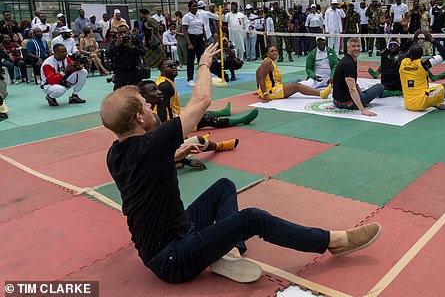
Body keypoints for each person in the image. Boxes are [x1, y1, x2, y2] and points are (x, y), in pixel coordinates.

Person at [101, 43, 381, 284]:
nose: (150, 107)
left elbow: (142, 175)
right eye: (145, 105)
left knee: (224, 186)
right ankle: (334, 241)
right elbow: (202, 100)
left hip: (173, 236)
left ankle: (229, 252)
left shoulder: (116, 153)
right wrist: (203, 64)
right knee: (253, 218)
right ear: (139, 118)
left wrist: (176, 154)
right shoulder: (152, 145)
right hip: (172, 258)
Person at [153, 59, 257, 133]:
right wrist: (164, 131)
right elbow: (160, 108)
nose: (174, 67)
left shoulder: (164, 82)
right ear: (162, 70)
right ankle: (242, 120)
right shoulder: (165, 86)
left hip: (175, 116)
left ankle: (223, 112)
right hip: (173, 122)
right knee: (208, 119)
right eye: (170, 66)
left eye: (175, 65)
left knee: (199, 110)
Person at [256, 45, 332, 101]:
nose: (275, 52)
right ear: (267, 53)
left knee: (296, 82)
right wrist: (265, 93)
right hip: (271, 91)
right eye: (272, 51)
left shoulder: (268, 61)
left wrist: (259, 89)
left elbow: (257, 72)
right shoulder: (267, 62)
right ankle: (321, 94)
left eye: (276, 51)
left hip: (274, 88)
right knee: (296, 86)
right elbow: (261, 77)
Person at [332, 37, 384, 116]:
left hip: (336, 101)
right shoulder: (348, 64)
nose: (356, 48)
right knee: (380, 87)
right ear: (348, 48)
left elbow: (347, 81)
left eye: (358, 46)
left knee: (361, 91)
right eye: (353, 46)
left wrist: (356, 87)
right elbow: (352, 89)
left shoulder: (347, 59)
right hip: (348, 103)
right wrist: (363, 110)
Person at [107, 24, 146, 90]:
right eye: (120, 33)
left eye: (125, 32)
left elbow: (143, 52)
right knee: (119, 93)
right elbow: (109, 55)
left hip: (134, 70)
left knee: (137, 91)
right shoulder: (115, 41)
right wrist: (116, 45)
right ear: (117, 33)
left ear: (128, 31)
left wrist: (133, 47)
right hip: (120, 71)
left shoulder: (134, 39)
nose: (123, 34)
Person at [183, 0, 207, 86]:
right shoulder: (186, 17)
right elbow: (185, 30)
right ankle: (190, 79)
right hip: (191, 37)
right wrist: (189, 43)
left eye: (196, 6)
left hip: (200, 37)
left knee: (201, 58)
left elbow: (202, 27)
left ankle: (201, 77)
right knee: (191, 59)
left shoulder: (199, 15)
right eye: (193, 6)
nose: (195, 8)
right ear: (189, 7)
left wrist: (205, 38)